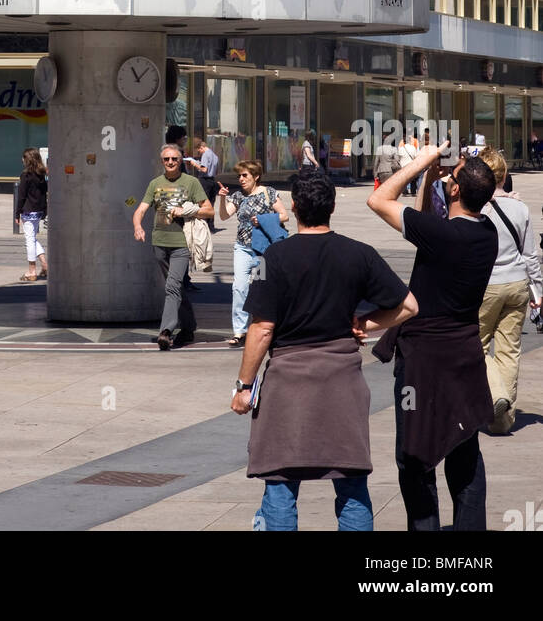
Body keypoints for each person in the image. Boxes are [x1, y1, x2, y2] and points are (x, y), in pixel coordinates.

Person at [231, 168, 417, 531]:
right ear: (332, 206)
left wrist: (244, 386)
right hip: (342, 383)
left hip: (288, 384)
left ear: (295, 207)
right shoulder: (359, 254)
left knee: (280, 485)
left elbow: (262, 328)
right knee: (351, 485)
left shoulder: (274, 258)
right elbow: (409, 306)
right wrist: (364, 324)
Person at [367, 144, 498, 532]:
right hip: (464, 356)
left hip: (423, 362)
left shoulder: (444, 235)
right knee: (464, 452)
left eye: (451, 177)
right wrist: (432, 180)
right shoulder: (485, 233)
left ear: (455, 191)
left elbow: (379, 199)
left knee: (414, 454)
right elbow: (426, 226)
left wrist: (422, 161)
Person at [477, 146, 543, 434]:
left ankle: (494, 395)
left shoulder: (476, 207)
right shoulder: (520, 207)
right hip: (516, 284)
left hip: (485, 286)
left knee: (474, 345)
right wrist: (537, 292)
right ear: (505, 176)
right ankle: (502, 421)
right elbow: (530, 255)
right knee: (509, 351)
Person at [133, 145, 213, 350]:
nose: (170, 162)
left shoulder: (191, 182)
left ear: (181, 160)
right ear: (162, 161)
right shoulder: (155, 184)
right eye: (166, 159)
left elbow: (209, 211)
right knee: (175, 287)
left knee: (171, 286)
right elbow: (140, 209)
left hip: (181, 244)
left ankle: (166, 331)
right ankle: (189, 327)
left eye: (174, 159)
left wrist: (188, 210)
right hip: (159, 243)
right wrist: (137, 226)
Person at [217, 161, 288, 347]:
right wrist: (223, 199)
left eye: (245, 175)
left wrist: (263, 219)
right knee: (239, 288)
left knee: (263, 287)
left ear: (256, 176)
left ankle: (263, 327)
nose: (241, 179)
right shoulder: (238, 196)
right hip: (242, 248)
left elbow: (284, 215)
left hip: (263, 250)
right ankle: (240, 332)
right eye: (239, 176)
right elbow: (224, 216)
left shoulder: (268, 192)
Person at [15, 147, 48, 282]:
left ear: (27, 160)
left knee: (29, 240)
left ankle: (32, 271)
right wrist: (45, 210)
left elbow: (21, 196)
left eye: (23, 158)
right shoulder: (41, 174)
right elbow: (44, 193)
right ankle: (45, 265)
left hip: (28, 210)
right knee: (32, 238)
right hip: (39, 210)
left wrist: (17, 213)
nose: (22, 160)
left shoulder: (26, 175)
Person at [187, 137, 220, 232]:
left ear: (201, 147)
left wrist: (195, 164)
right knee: (211, 203)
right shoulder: (214, 155)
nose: (199, 153)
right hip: (212, 180)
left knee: (203, 202)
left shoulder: (206, 154)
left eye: (199, 151)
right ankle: (211, 225)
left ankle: (203, 224)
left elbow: (204, 169)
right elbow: (216, 170)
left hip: (204, 180)